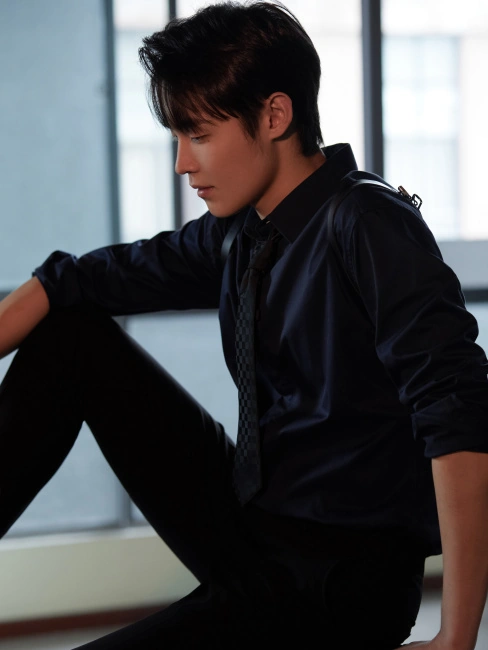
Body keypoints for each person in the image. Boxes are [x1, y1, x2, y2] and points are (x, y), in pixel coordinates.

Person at [1, 2, 488, 648]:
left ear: (275, 116)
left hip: (337, 580)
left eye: (198, 135)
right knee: (72, 335)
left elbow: (458, 413)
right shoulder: (241, 231)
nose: (182, 163)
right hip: (257, 526)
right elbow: (85, 278)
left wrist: (456, 635)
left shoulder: (368, 224)